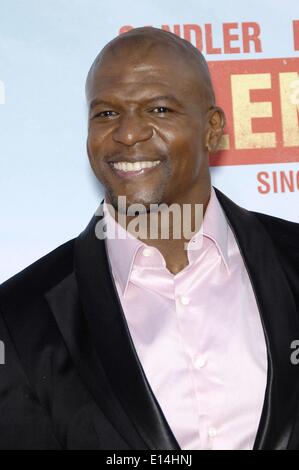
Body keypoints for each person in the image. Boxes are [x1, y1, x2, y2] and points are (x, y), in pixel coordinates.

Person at [0, 26, 299, 451]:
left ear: (213, 129)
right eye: (105, 113)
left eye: (158, 110)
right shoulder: (18, 318)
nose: (127, 133)